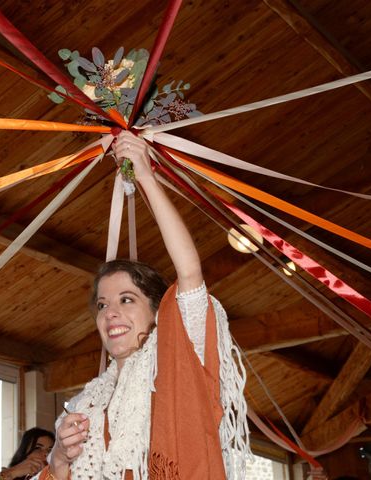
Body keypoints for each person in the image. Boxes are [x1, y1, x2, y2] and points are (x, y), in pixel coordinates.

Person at [34, 131, 249, 480]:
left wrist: (146, 175)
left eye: (127, 299)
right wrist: (58, 460)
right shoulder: (89, 404)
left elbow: (190, 272)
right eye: (102, 305)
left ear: (158, 311)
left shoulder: (178, 357)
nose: (110, 313)